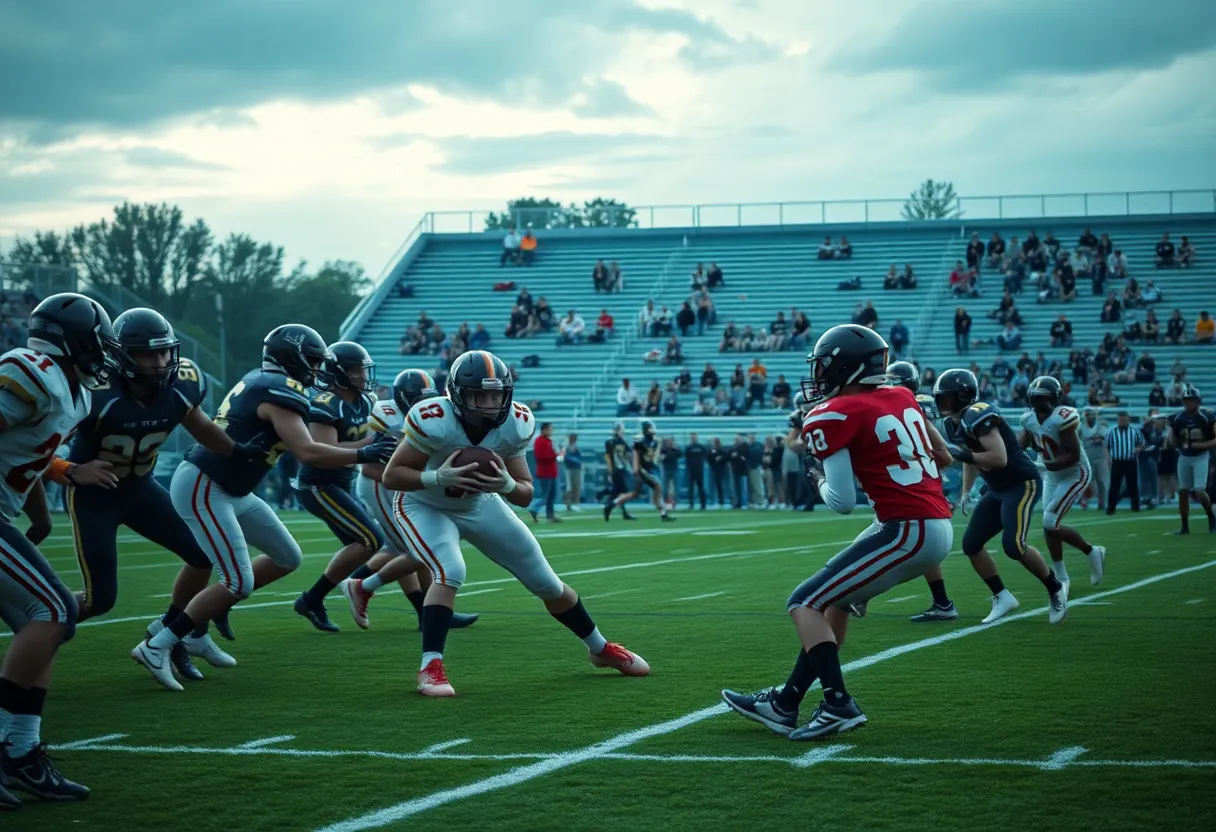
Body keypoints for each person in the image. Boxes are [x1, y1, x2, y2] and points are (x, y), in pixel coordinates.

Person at [131, 324, 396, 691]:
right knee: (238, 582)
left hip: (233, 487)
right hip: (207, 483)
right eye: (313, 361)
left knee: (287, 557)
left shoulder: (267, 381)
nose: (317, 369)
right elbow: (308, 452)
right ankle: (158, 643)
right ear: (292, 358)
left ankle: (191, 633)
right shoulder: (279, 389)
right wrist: (365, 452)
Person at [720, 326, 954, 739]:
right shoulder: (902, 396)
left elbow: (841, 501)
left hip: (906, 528)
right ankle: (785, 702)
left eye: (825, 366)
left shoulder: (834, 413)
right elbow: (944, 457)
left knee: (803, 601)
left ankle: (838, 704)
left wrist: (818, 480)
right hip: (931, 523)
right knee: (833, 602)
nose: (819, 374)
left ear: (845, 367)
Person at [380, 349, 648, 695]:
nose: (489, 404)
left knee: (546, 581)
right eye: (479, 395)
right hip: (423, 503)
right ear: (458, 394)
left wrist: (506, 484)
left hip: (479, 502)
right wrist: (437, 477)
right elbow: (392, 476)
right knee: (451, 569)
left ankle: (600, 649)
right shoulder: (434, 418)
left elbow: (524, 493)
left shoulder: (515, 423)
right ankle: (430, 666)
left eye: (496, 395)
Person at [66, 308, 258, 679]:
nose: (160, 362)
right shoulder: (94, 392)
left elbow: (200, 426)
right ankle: (41, 619)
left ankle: (170, 637)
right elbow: (42, 444)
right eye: (148, 354)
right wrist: (72, 470)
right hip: (94, 497)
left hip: (140, 489)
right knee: (100, 599)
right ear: (123, 356)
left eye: (165, 351)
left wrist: (237, 452)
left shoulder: (182, 384)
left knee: (201, 554)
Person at [0, 293, 118, 806]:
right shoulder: (32, 372)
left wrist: (44, 507)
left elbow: (29, 453)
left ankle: (21, 753)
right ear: (74, 342)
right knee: (54, 609)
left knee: (43, 623)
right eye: (99, 343)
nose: (104, 353)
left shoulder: (73, 393)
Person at [339, 370, 479, 631]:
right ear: (402, 399)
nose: (424, 405)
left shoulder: (434, 415)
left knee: (416, 548)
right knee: (418, 549)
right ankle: (359, 586)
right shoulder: (386, 416)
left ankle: (430, 612)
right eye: (418, 399)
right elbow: (370, 468)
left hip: (408, 484)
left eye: (428, 398)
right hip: (380, 484)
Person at [929, 369, 1067, 625]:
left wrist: (961, 455)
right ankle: (1002, 596)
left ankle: (1055, 587)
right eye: (940, 398)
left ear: (963, 396)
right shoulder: (953, 423)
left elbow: (998, 458)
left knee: (1013, 545)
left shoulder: (978, 413)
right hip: (997, 488)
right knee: (971, 545)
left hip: (1021, 483)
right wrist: (966, 491)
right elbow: (971, 457)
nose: (942, 404)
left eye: (946, 398)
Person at [291, 342, 389, 632]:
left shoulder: (367, 400)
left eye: (364, 369)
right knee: (372, 539)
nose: (364, 375)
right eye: (357, 369)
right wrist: (369, 447)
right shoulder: (326, 403)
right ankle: (313, 599)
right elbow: (324, 451)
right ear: (339, 372)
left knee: (380, 543)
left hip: (343, 483)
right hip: (318, 485)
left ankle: (422, 611)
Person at [1020, 377, 1106, 592]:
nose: (1038, 403)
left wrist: (1043, 464)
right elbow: (1019, 446)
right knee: (1049, 526)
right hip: (1052, 475)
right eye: (1035, 398)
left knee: (1050, 521)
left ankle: (1092, 551)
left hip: (1076, 473)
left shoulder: (1062, 418)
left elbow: (1073, 455)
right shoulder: (1029, 420)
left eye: (1042, 398)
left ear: (1054, 399)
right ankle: (1061, 576)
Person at [1166, 385, 1216, 534]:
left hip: (1200, 456)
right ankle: (1184, 525)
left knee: (1199, 491)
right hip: (1184, 456)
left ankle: (1211, 517)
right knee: (1182, 491)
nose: (1188, 403)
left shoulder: (1207, 416)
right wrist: (1173, 441)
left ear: (1198, 401)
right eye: (1186, 400)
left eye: (1191, 400)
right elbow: (1172, 440)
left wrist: (1202, 445)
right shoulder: (1177, 418)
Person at [605, 421, 674, 522]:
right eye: (651, 428)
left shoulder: (655, 441)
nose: (653, 429)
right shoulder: (641, 442)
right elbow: (635, 455)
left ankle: (612, 504)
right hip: (642, 470)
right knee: (657, 486)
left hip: (650, 469)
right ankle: (663, 514)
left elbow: (654, 457)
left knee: (635, 494)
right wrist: (636, 469)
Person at [1104, 411, 1144, 516]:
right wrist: (1108, 459)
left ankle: (1135, 507)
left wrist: (1138, 449)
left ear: (1128, 419)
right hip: (1117, 461)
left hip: (1130, 461)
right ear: (1117, 420)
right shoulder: (1111, 431)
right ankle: (1111, 508)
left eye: (1124, 419)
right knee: (1114, 485)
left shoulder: (1134, 431)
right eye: (1120, 419)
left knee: (1133, 485)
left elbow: (1142, 443)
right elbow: (1106, 446)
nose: (1122, 421)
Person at [596, 423, 634, 520]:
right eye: (621, 430)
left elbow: (626, 454)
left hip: (619, 469)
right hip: (618, 469)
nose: (623, 432)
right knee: (622, 492)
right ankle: (606, 502)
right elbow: (608, 456)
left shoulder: (613, 441)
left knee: (618, 492)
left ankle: (621, 511)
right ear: (617, 430)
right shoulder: (615, 442)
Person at [527, 422, 560, 523]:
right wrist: (555, 454)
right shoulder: (539, 441)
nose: (551, 431)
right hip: (545, 472)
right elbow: (541, 456)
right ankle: (534, 509)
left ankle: (550, 515)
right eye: (550, 429)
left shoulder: (549, 441)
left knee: (552, 495)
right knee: (546, 495)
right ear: (544, 430)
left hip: (552, 472)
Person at [684, 432, 707, 510]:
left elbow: (705, 455)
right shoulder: (688, 448)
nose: (693, 438)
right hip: (691, 470)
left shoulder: (701, 447)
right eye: (692, 437)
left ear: (696, 438)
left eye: (694, 437)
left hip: (699, 470)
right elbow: (686, 456)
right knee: (691, 488)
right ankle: (691, 504)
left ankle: (703, 504)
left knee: (701, 487)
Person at [562, 433, 583, 512]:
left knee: (576, 486)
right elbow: (565, 457)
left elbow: (580, 459)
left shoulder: (576, 448)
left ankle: (576, 503)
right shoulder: (566, 448)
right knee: (569, 487)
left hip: (576, 469)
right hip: (569, 469)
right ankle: (568, 504)